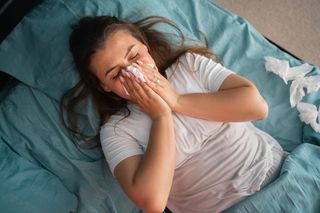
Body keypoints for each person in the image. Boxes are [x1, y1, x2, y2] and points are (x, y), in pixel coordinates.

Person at [61, 15, 287, 213]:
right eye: (116, 73)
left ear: (145, 45)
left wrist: (177, 101)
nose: (133, 72)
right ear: (105, 86)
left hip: (278, 175)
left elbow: (257, 107)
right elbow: (152, 202)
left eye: (134, 56)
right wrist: (161, 116)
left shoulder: (189, 66)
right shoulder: (117, 130)